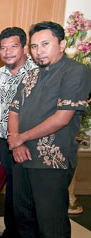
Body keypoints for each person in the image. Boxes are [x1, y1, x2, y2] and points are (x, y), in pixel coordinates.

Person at [8, 21, 91, 238]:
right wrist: (17, 142)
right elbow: (14, 111)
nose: (39, 51)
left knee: (51, 223)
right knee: (23, 220)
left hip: (52, 161)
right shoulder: (30, 75)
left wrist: (19, 138)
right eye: (34, 46)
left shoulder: (76, 72)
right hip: (22, 156)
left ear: (62, 44)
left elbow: (62, 118)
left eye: (45, 44)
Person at [0, 26, 37, 238]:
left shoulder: (37, 72)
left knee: (27, 193)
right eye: (3, 48)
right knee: (10, 190)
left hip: (30, 140)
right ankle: (11, 232)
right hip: (5, 140)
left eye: (13, 46)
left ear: (25, 48)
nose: (8, 52)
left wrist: (21, 138)